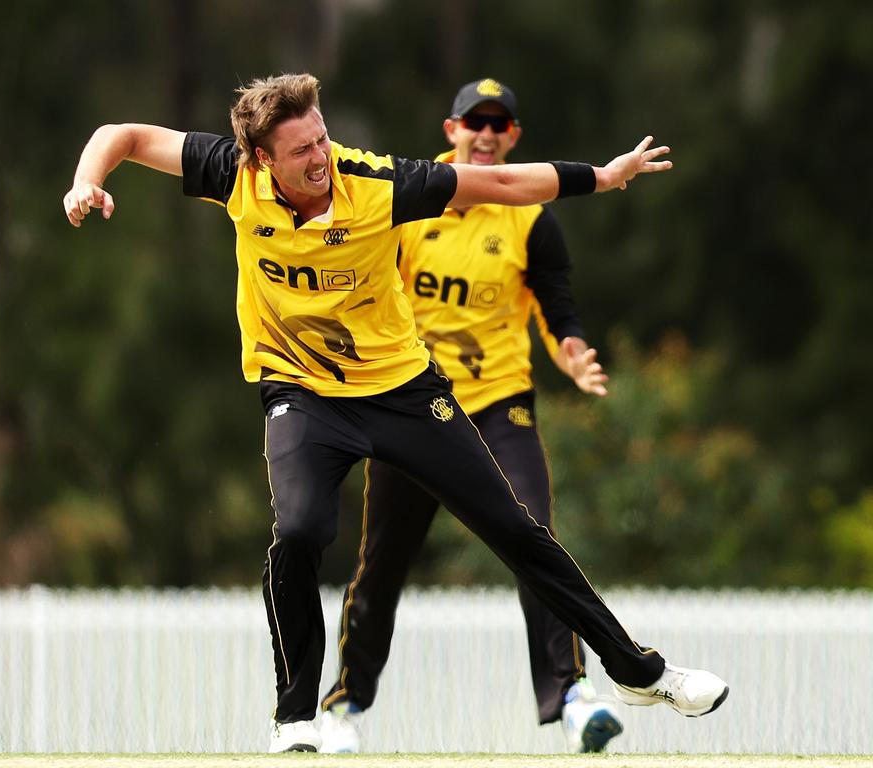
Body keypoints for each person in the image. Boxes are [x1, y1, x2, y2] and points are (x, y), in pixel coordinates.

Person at [62, 73, 729, 754]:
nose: (321, 158)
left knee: (515, 529)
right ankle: (297, 716)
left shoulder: (376, 182)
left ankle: (639, 673)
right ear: (264, 159)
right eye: (301, 151)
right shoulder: (233, 175)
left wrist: (603, 176)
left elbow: (496, 185)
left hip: (402, 392)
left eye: (321, 138)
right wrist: (86, 181)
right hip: (302, 394)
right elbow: (125, 136)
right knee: (299, 531)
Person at [318, 78, 626, 754]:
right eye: (474, 123)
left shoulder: (529, 216)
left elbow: (557, 306)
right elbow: (360, 284)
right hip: (411, 406)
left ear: (513, 138)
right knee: (382, 562)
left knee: (534, 537)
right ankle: (344, 706)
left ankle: (572, 695)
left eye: (499, 125)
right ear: (451, 129)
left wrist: (573, 355)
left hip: (496, 405)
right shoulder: (409, 199)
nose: (486, 134)